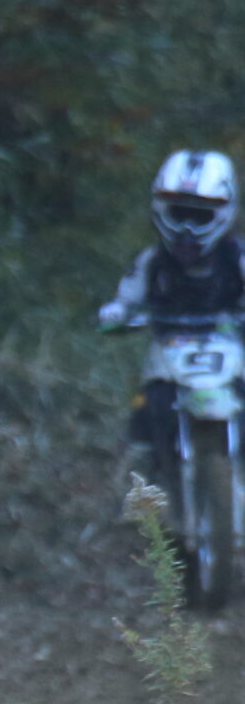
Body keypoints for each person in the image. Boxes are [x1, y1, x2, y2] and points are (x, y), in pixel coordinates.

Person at [98, 150, 244, 475]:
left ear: (222, 215)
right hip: (169, 354)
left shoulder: (236, 258)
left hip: (231, 350)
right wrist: (117, 313)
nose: (188, 228)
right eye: (180, 213)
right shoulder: (153, 262)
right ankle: (148, 470)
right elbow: (126, 298)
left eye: (200, 216)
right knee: (150, 408)